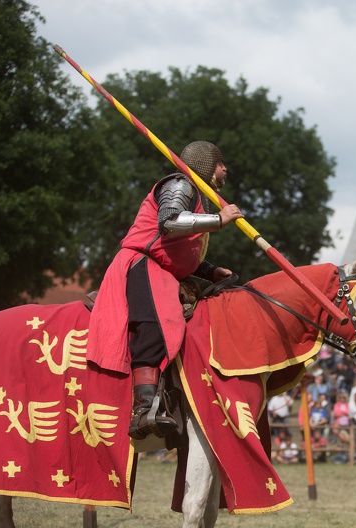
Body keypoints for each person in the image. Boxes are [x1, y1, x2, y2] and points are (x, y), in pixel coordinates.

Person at [87, 141, 244, 440]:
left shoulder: (199, 197)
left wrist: (210, 270)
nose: (225, 170)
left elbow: (178, 250)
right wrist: (219, 221)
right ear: (206, 165)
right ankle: (144, 411)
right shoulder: (180, 184)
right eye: (221, 163)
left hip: (165, 271)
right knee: (155, 325)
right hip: (143, 266)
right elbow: (169, 222)